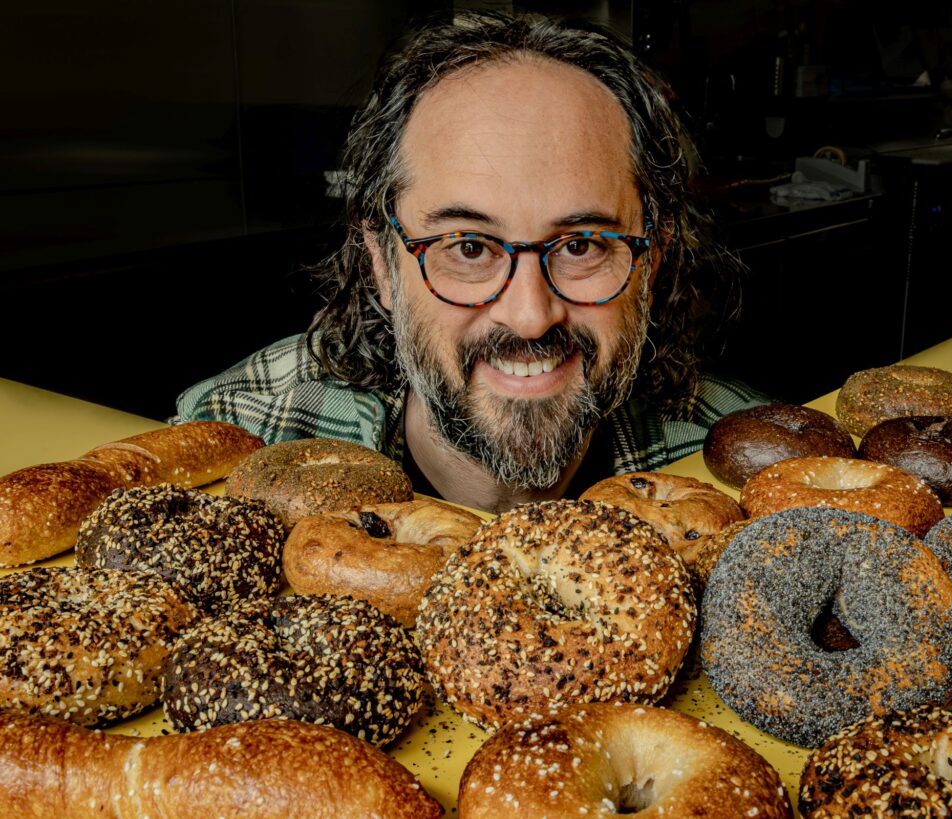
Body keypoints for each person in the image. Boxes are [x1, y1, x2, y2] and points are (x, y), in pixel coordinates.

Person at [174, 11, 767, 513]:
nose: (530, 316)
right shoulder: (239, 437)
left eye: (582, 245)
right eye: (469, 247)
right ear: (381, 264)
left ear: (651, 261)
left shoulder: (747, 470)